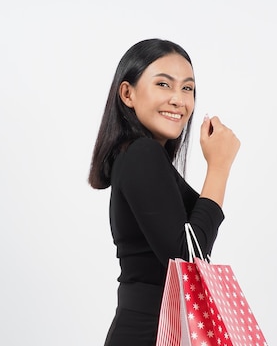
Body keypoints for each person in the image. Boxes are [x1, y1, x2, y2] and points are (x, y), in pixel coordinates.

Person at [88, 38, 240, 346]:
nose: (178, 100)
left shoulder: (141, 157)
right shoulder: (140, 153)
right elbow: (187, 259)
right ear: (127, 94)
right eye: (163, 84)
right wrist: (219, 167)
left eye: (187, 88)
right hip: (151, 333)